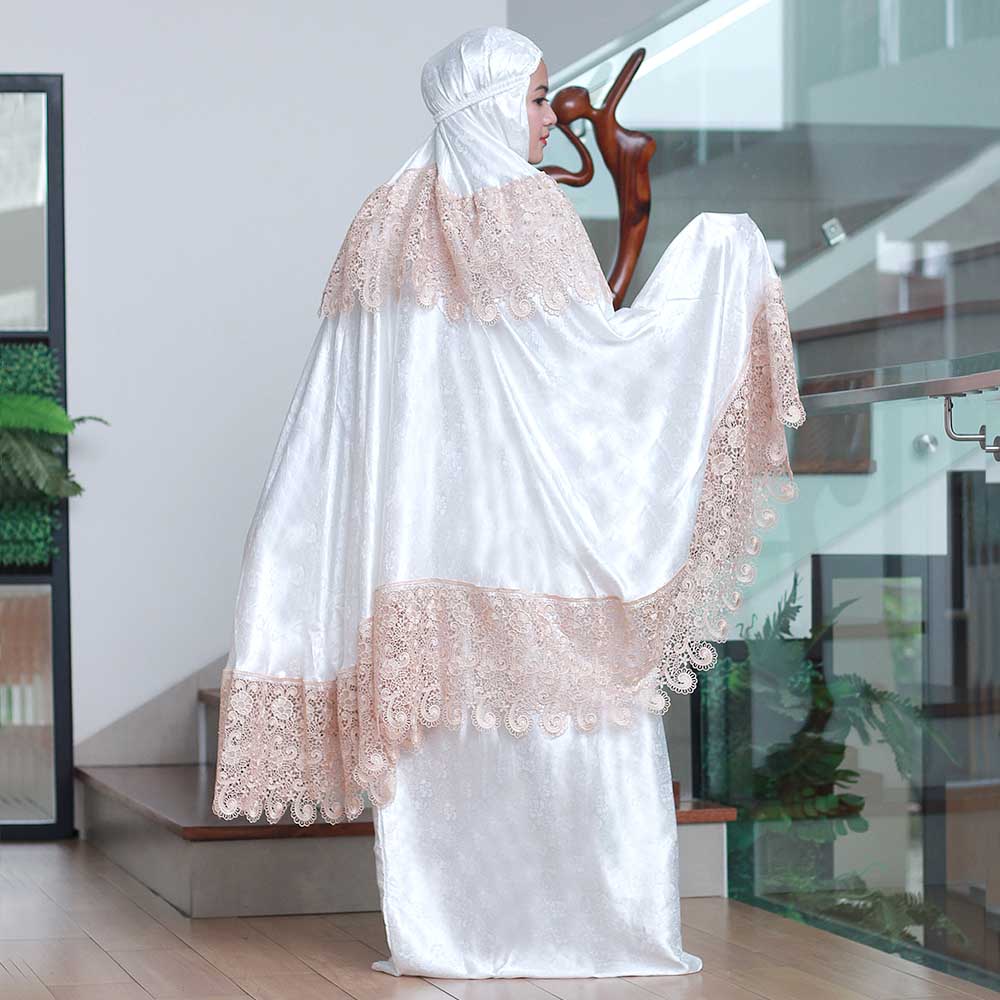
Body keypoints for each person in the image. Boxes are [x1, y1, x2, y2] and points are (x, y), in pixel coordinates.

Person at [211, 25, 806, 980]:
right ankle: (592, 927)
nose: (547, 120)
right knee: (578, 715)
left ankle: (451, 932)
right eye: (533, 99)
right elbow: (591, 369)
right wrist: (718, 262)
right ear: (488, 103)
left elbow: (351, 405)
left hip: (422, 549)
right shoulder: (526, 211)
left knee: (447, 744)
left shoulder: (384, 217)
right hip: (532, 536)